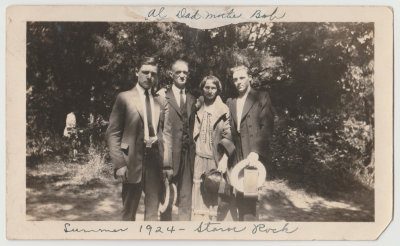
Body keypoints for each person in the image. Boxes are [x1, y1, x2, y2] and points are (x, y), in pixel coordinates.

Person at [106, 56, 165, 221]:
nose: (149, 77)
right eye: (145, 72)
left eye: (153, 73)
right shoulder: (124, 98)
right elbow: (112, 133)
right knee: (128, 214)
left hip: (154, 162)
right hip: (131, 162)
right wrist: (119, 164)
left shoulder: (159, 101)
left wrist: (165, 163)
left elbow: (162, 134)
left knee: (153, 214)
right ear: (136, 72)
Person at [226, 65, 274, 221]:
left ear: (250, 78)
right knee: (238, 197)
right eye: (235, 79)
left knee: (250, 200)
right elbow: (228, 131)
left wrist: (256, 151)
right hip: (236, 156)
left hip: (252, 155)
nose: (238, 82)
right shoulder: (231, 101)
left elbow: (266, 126)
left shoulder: (261, 97)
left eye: (242, 78)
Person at [192, 75, 235, 221]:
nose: (210, 91)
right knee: (198, 196)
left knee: (214, 194)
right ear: (202, 89)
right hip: (198, 158)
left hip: (215, 159)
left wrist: (225, 158)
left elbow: (228, 136)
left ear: (218, 89)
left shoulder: (224, 109)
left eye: (213, 88)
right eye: (207, 87)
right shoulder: (197, 105)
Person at [158, 59, 196, 221]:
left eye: (185, 72)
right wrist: (164, 160)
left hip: (188, 157)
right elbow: (159, 130)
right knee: (166, 198)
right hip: (168, 157)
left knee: (186, 200)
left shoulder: (192, 99)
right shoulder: (162, 96)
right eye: (178, 72)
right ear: (171, 74)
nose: (182, 75)